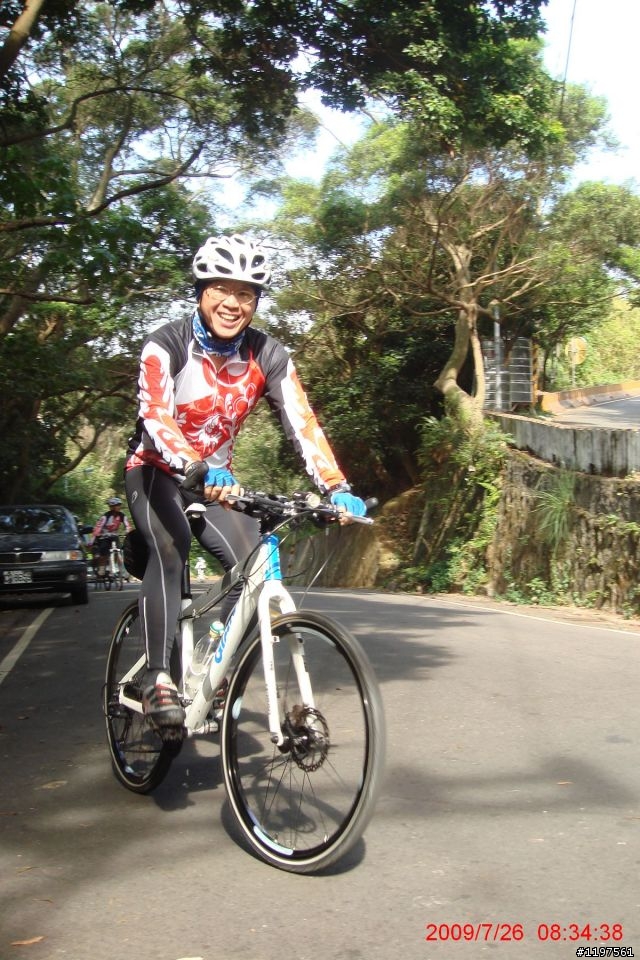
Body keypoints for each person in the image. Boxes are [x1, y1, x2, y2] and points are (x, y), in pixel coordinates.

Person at [124, 233, 366, 740]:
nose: (233, 303)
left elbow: (301, 419)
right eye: (221, 289)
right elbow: (156, 416)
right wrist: (194, 463)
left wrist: (335, 484)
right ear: (201, 291)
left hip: (218, 485)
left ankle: (212, 666)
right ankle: (157, 677)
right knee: (170, 547)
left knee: (255, 567)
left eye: (246, 293)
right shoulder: (165, 344)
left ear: (256, 302)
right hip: (156, 471)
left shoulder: (268, 354)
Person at [91, 497, 131, 579]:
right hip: (104, 536)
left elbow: (127, 525)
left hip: (114, 536)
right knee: (103, 553)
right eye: (117, 505)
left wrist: (128, 531)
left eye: (119, 505)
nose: (119, 507)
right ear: (111, 507)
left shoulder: (122, 515)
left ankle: (121, 570)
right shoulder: (105, 516)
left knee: (119, 552)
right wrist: (97, 534)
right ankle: (102, 569)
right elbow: (99, 526)